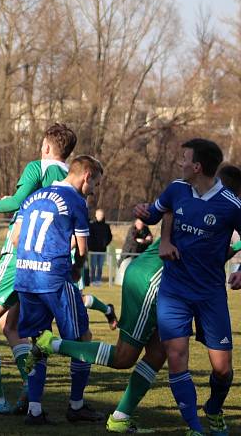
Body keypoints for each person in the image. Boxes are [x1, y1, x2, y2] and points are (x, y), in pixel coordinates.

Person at [32, 163, 241, 434]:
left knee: (158, 352)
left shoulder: (197, 200)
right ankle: (52, 344)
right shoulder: (200, 200)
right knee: (123, 357)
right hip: (152, 280)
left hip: (163, 283)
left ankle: (120, 416)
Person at [0, 123, 77, 416]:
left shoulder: (37, 167)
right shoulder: (71, 178)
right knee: (11, 326)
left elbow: (17, 201)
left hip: (18, 255)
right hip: (46, 262)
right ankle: (31, 390)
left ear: (46, 147)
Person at [133, 139, 240, 436]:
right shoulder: (176, 189)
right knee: (177, 356)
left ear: (197, 167)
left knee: (221, 368)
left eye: (184, 159)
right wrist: (142, 211)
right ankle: (194, 427)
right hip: (174, 290)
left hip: (210, 294)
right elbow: (155, 212)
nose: (179, 163)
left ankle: (215, 410)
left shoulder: (230, 204)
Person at [14, 155, 104, 425]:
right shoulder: (76, 201)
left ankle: (35, 410)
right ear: (86, 175)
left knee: (39, 342)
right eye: (95, 184)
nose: (94, 190)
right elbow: (82, 248)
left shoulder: (34, 195)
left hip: (26, 276)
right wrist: (76, 270)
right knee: (81, 340)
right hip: (54, 278)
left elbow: (16, 237)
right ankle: (76, 406)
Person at [87, 209, 112, 286]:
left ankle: (98, 280)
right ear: (96, 215)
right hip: (93, 250)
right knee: (93, 266)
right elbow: (89, 237)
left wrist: (105, 244)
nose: (100, 216)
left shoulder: (106, 226)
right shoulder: (92, 226)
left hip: (102, 250)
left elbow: (109, 237)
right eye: (98, 215)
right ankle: (92, 280)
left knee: (100, 266)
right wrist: (91, 245)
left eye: (101, 215)